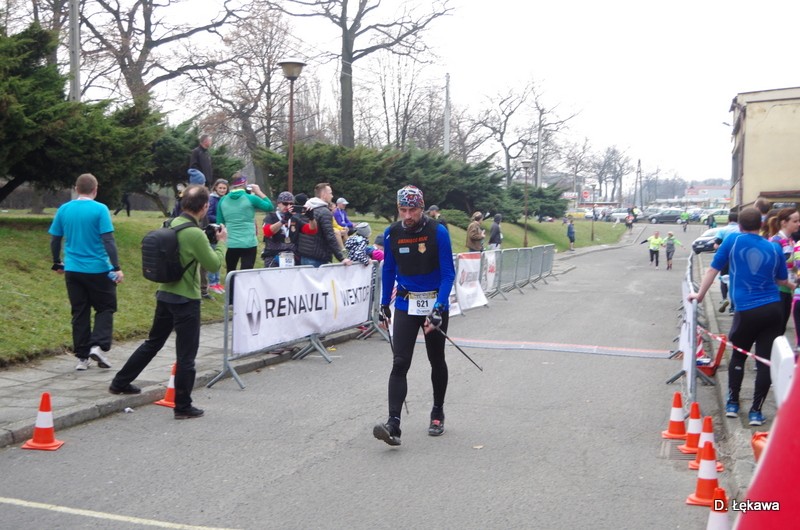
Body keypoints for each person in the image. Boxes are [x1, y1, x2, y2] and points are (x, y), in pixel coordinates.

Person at [109, 185, 227, 419]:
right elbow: (213, 264)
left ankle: (120, 382)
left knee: (153, 342)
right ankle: (182, 406)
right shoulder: (194, 233)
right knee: (186, 356)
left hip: (164, 294)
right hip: (186, 299)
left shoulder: (171, 224)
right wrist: (222, 242)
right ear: (205, 207)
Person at [688, 207, 795, 427]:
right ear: (761, 225)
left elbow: (713, 270)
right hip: (773, 309)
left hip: (746, 310)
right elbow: (781, 280)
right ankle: (756, 412)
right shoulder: (774, 247)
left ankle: (733, 404)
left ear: (739, 226)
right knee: (764, 360)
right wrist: (792, 285)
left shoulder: (733, 240)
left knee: (738, 356)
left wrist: (700, 295)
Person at [373, 185, 455, 446]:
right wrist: (384, 304)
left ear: (422, 208)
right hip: (406, 304)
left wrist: (439, 308)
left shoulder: (437, 232)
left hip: (433, 303)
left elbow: (448, 274)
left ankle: (437, 412)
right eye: (403, 210)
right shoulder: (392, 233)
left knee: (436, 359)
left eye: (412, 210)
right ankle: (393, 424)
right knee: (400, 362)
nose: (407, 216)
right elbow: (389, 270)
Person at [49, 173, 122, 371]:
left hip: (73, 269)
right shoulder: (100, 209)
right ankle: (98, 346)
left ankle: (82, 357)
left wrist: (57, 262)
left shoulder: (64, 209)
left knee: (79, 311)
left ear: (76, 189)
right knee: (105, 308)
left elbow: (55, 239)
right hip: (98, 269)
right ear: (95, 189)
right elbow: (108, 240)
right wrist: (116, 267)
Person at [216, 172, 274, 275]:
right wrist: (259, 192)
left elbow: (220, 223)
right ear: (245, 183)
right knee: (246, 275)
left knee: (231, 273)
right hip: (249, 243)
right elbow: (269, 207)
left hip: (231, 243)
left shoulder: (223, 200)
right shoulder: (250, 198)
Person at [297, 182, 353, 267]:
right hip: (317, 257)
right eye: (330, 193)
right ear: (324, 195)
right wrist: (341, 258)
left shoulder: (306, 208)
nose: (332, 196)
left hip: (304, 254)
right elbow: (330, 235)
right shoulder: (324, 212)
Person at [261, 191, 318, 267]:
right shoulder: (271, 217)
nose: (288, 206)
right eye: (285, 204)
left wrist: (311, 218)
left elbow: (312, 230)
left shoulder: (294, 219)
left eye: (291, 204)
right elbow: (267, 232)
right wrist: (283, 221)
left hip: (291, 256)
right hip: (273, 256)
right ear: (278, 203)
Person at [766, 208, 800, 333]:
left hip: (787, 290)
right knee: (776, 330)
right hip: (777, 291)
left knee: (781, 329)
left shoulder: (790, 240)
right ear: (784, 223)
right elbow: (772, 270)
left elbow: (792, 266)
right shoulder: (776, 242)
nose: (798, 224)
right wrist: (791, 285)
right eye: (795, 221)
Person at [714, 211, 740, 313]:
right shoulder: (741, 230)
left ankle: (724, 298)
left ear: (728, 220)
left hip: (725, 258)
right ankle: (733, 308)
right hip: (738, 259)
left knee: (723, 279)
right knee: (735, 281)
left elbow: (716, 245)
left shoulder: (723, 230)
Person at [206, 178, 228, 293]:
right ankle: (212, 282)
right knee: (214, 256)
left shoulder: (226, 199)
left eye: (224, 188)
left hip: (222, 230)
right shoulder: (212, 199)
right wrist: (221, 220)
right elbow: (209, 214)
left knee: (220, 255)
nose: (222, 190)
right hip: (213, 231)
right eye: (220, 188)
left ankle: (217, 282)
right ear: (215, 188)